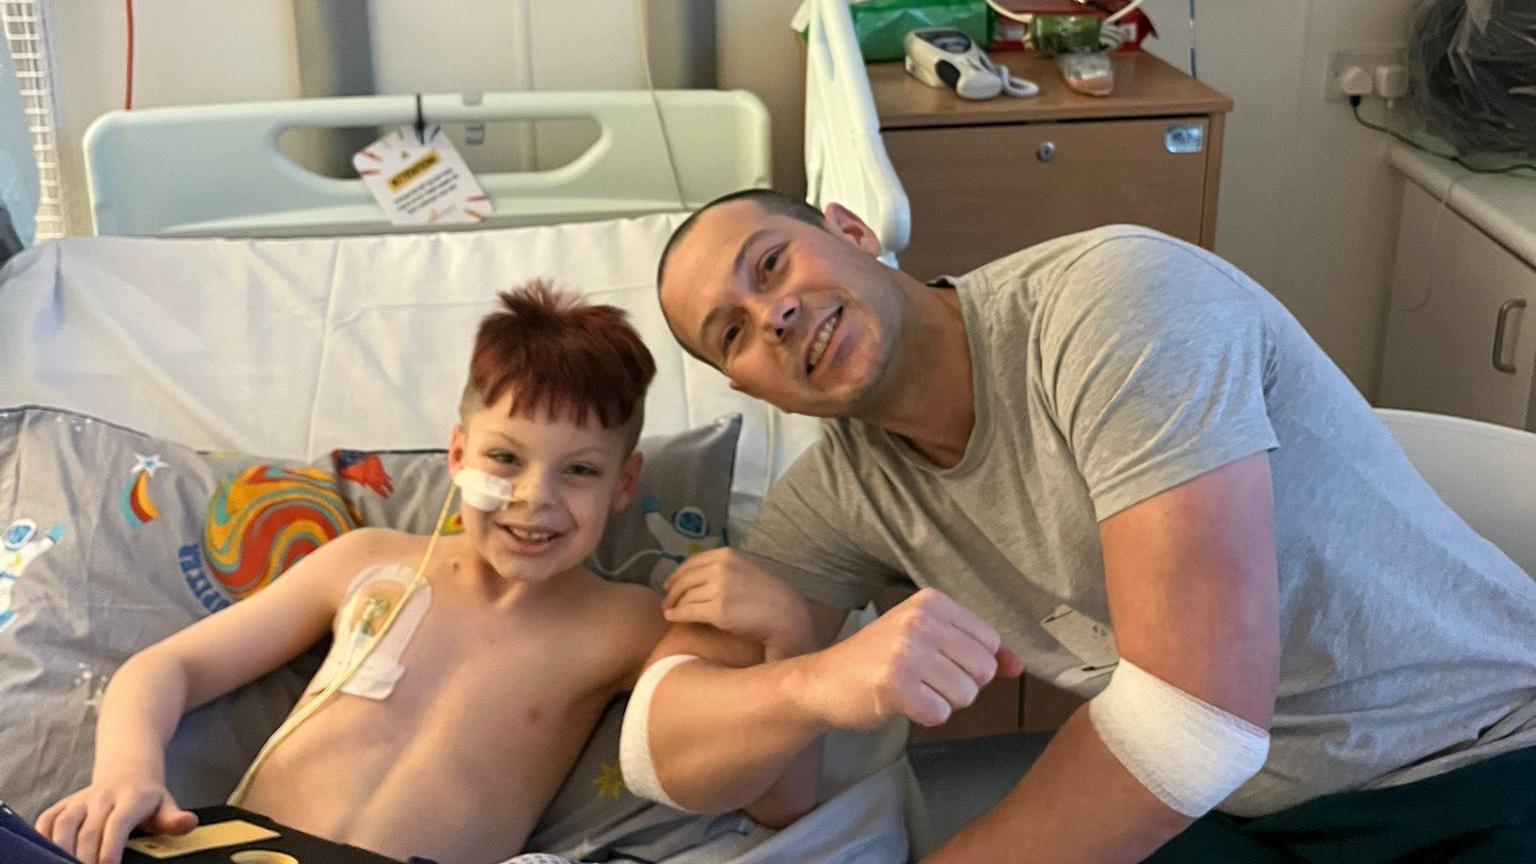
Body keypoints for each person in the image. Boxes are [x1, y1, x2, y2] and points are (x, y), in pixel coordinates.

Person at [627, 189, 1536, 863]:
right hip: (1241, 811)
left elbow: (1196, 721)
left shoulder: (1111, 305)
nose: (772, 315)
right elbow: (658, 750)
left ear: (851, 231)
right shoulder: (838, 498)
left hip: (1477, 761)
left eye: (772, 264)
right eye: (731, 333)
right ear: (750, 388)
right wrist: (816, 679)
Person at [39, 283, 681, 864]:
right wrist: (127, 772)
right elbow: (167, 667)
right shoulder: (372, 561)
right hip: (245, 848)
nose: (534, 498)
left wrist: (773, 622)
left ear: (623, 484)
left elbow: (757, 775)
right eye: (506, 458)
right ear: (458, 455)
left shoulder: (630, 624)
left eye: (580, 471)